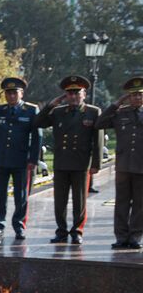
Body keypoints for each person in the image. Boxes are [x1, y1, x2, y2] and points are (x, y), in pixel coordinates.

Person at [35, 76, 102, 244]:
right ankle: (61, 231)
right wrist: (50, 105)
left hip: (81, 163)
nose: (73, 96)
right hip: (62, 162)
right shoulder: (58, 112)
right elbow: (38, 122)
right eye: (69, 93)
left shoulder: (93, 112)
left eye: (76, 92)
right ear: (65, 95)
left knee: (80, 201)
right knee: (60, 201)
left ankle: (77, 231)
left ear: (84, 94)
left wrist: (96, 164)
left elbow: (98, 141)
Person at [0, 77, 41, 241]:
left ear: (21, 93)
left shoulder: (31, 110)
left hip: (21, 160)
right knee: (0, 196)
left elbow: (37, 137)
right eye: (8, 93)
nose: (11, 96)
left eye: (14, 93)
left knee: (21, 195)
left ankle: (19, 226)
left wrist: (33, 160)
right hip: (2, 159)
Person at [98, 76, 143, 249]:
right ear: (127, 97)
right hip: (124, 166)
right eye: (133, 95)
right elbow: (99, 123)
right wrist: (116, 104)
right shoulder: (120, 113)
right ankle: (121, 237)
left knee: (140, 204)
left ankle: (135, 237)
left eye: (140, 94)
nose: (137, 98)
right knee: (122, 203)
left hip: (141, 165)